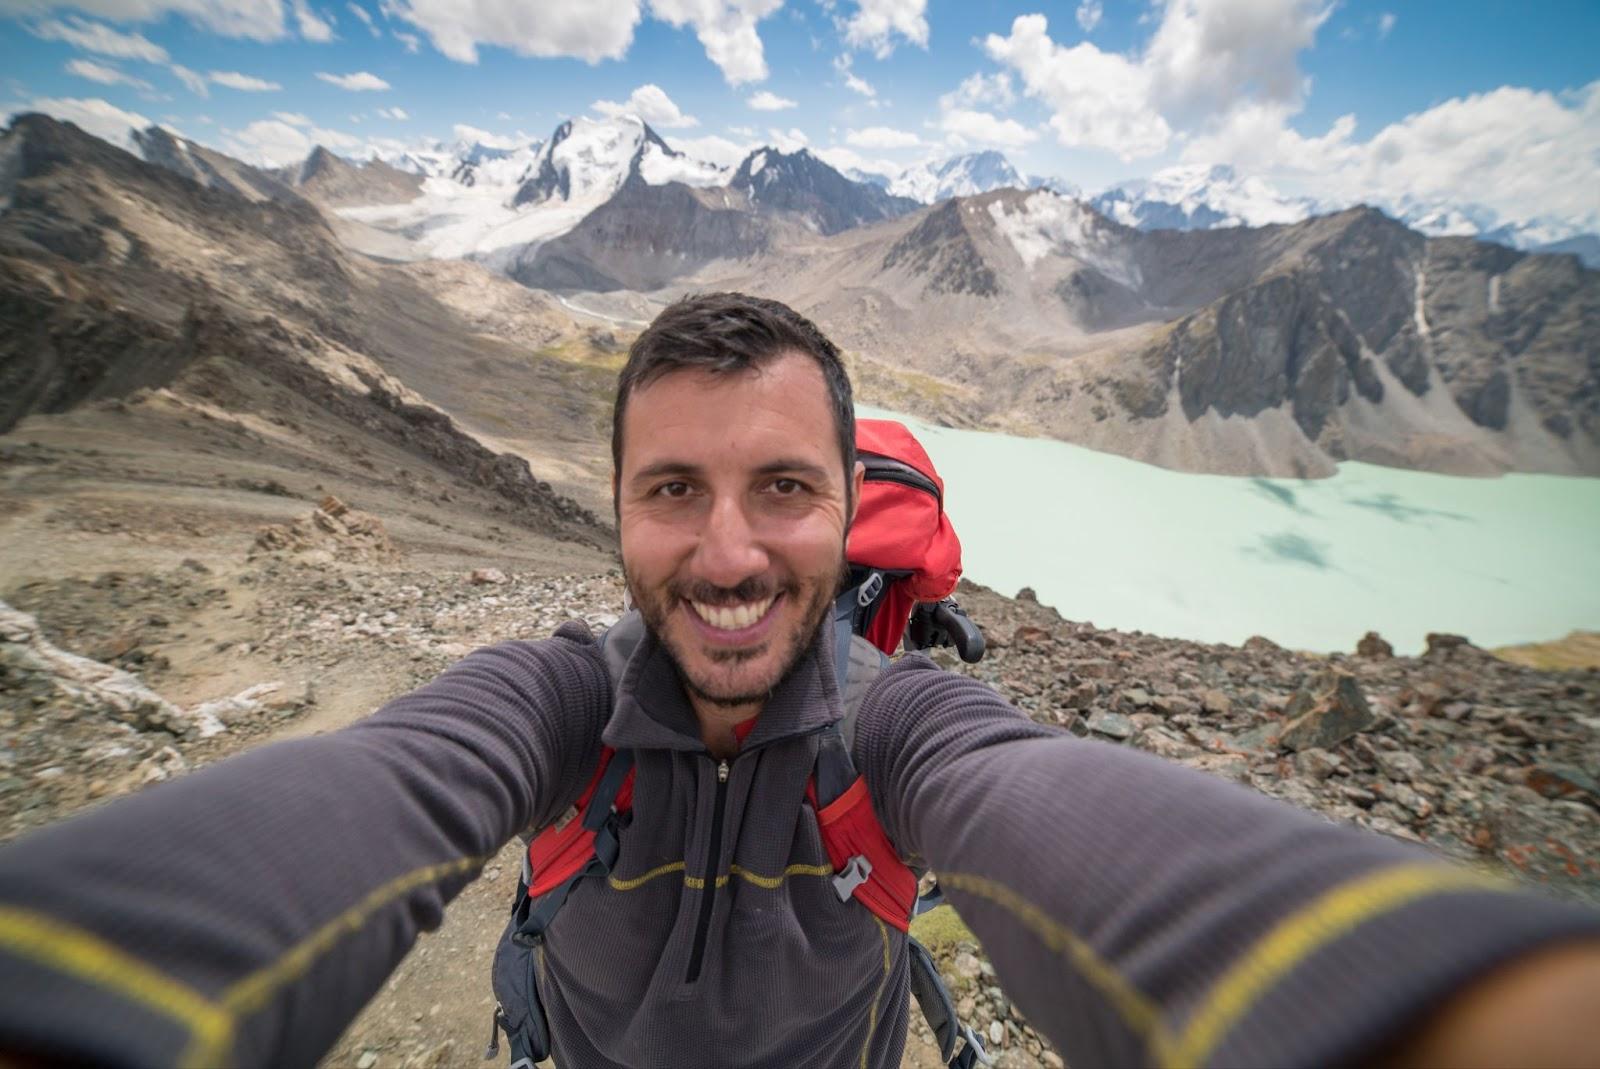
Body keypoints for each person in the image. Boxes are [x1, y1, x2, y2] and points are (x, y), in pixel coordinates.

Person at [1, 292, 1598, 1069]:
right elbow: (388, 787)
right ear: (614, 510)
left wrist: (1440, 1001)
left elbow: (1048, 813)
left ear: (843, 507)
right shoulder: (554, 698)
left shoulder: (901, 717)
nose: (725, 555)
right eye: (672, 490)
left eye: (782, 488)